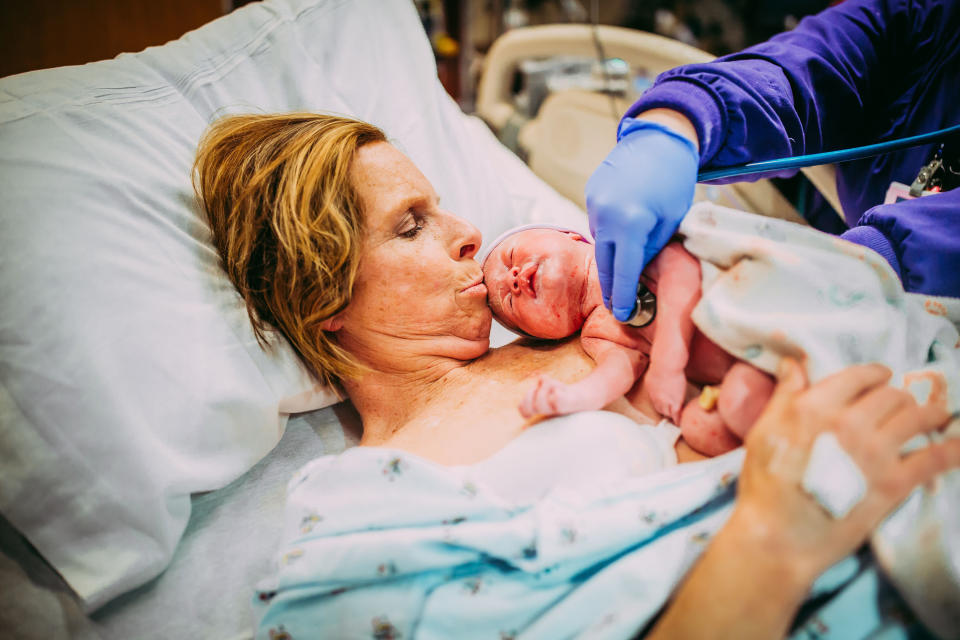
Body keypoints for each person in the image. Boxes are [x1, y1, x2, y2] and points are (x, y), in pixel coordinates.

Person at [193, 113, 959, 638]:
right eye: (411, 224)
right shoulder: (364, 514)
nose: (469, 235)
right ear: (324, 296)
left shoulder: (576, 323)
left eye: (444, 208)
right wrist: (773, 533)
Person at [586, 0, 960, 324]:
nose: (523, 273)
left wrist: (885, 254)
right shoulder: (926, 20)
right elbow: (808, 65)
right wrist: (680, 120)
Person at [480, 224, 774, 455]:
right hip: (744, 365)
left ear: (570, 235)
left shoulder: (619, 248)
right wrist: (572, 397)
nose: (514, 279)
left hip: (758, 309)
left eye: (511, 257)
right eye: (509, 302)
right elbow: (614, 372)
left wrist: (667, 364)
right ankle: (783, 440)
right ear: (544, 335)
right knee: (699, 425)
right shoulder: (597, 334)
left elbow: (682, 270)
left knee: (741, 400)